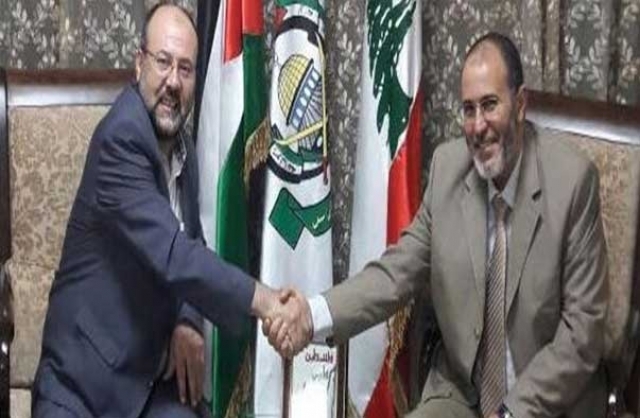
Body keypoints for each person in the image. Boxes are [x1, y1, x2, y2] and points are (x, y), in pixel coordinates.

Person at [267, 33, 608, 418]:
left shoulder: (572, 183)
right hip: (463, 395)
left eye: (490, 105)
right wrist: (312, 314)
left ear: (520, 104)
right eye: (468, 109)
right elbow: (394, 273)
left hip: (548, 402)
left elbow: (582, 334)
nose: (478, 126)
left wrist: (511, 413)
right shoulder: (449, 169)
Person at [31, 3, 285, 417]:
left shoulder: (181, 145)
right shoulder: (121, 138)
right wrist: (266, 301)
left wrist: (186, 319)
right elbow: (174, 254)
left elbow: (191, 239)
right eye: (163, 62)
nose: (173, 82)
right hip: (83, 387)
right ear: (139, 65)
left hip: (149, 382)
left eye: (185, 69)